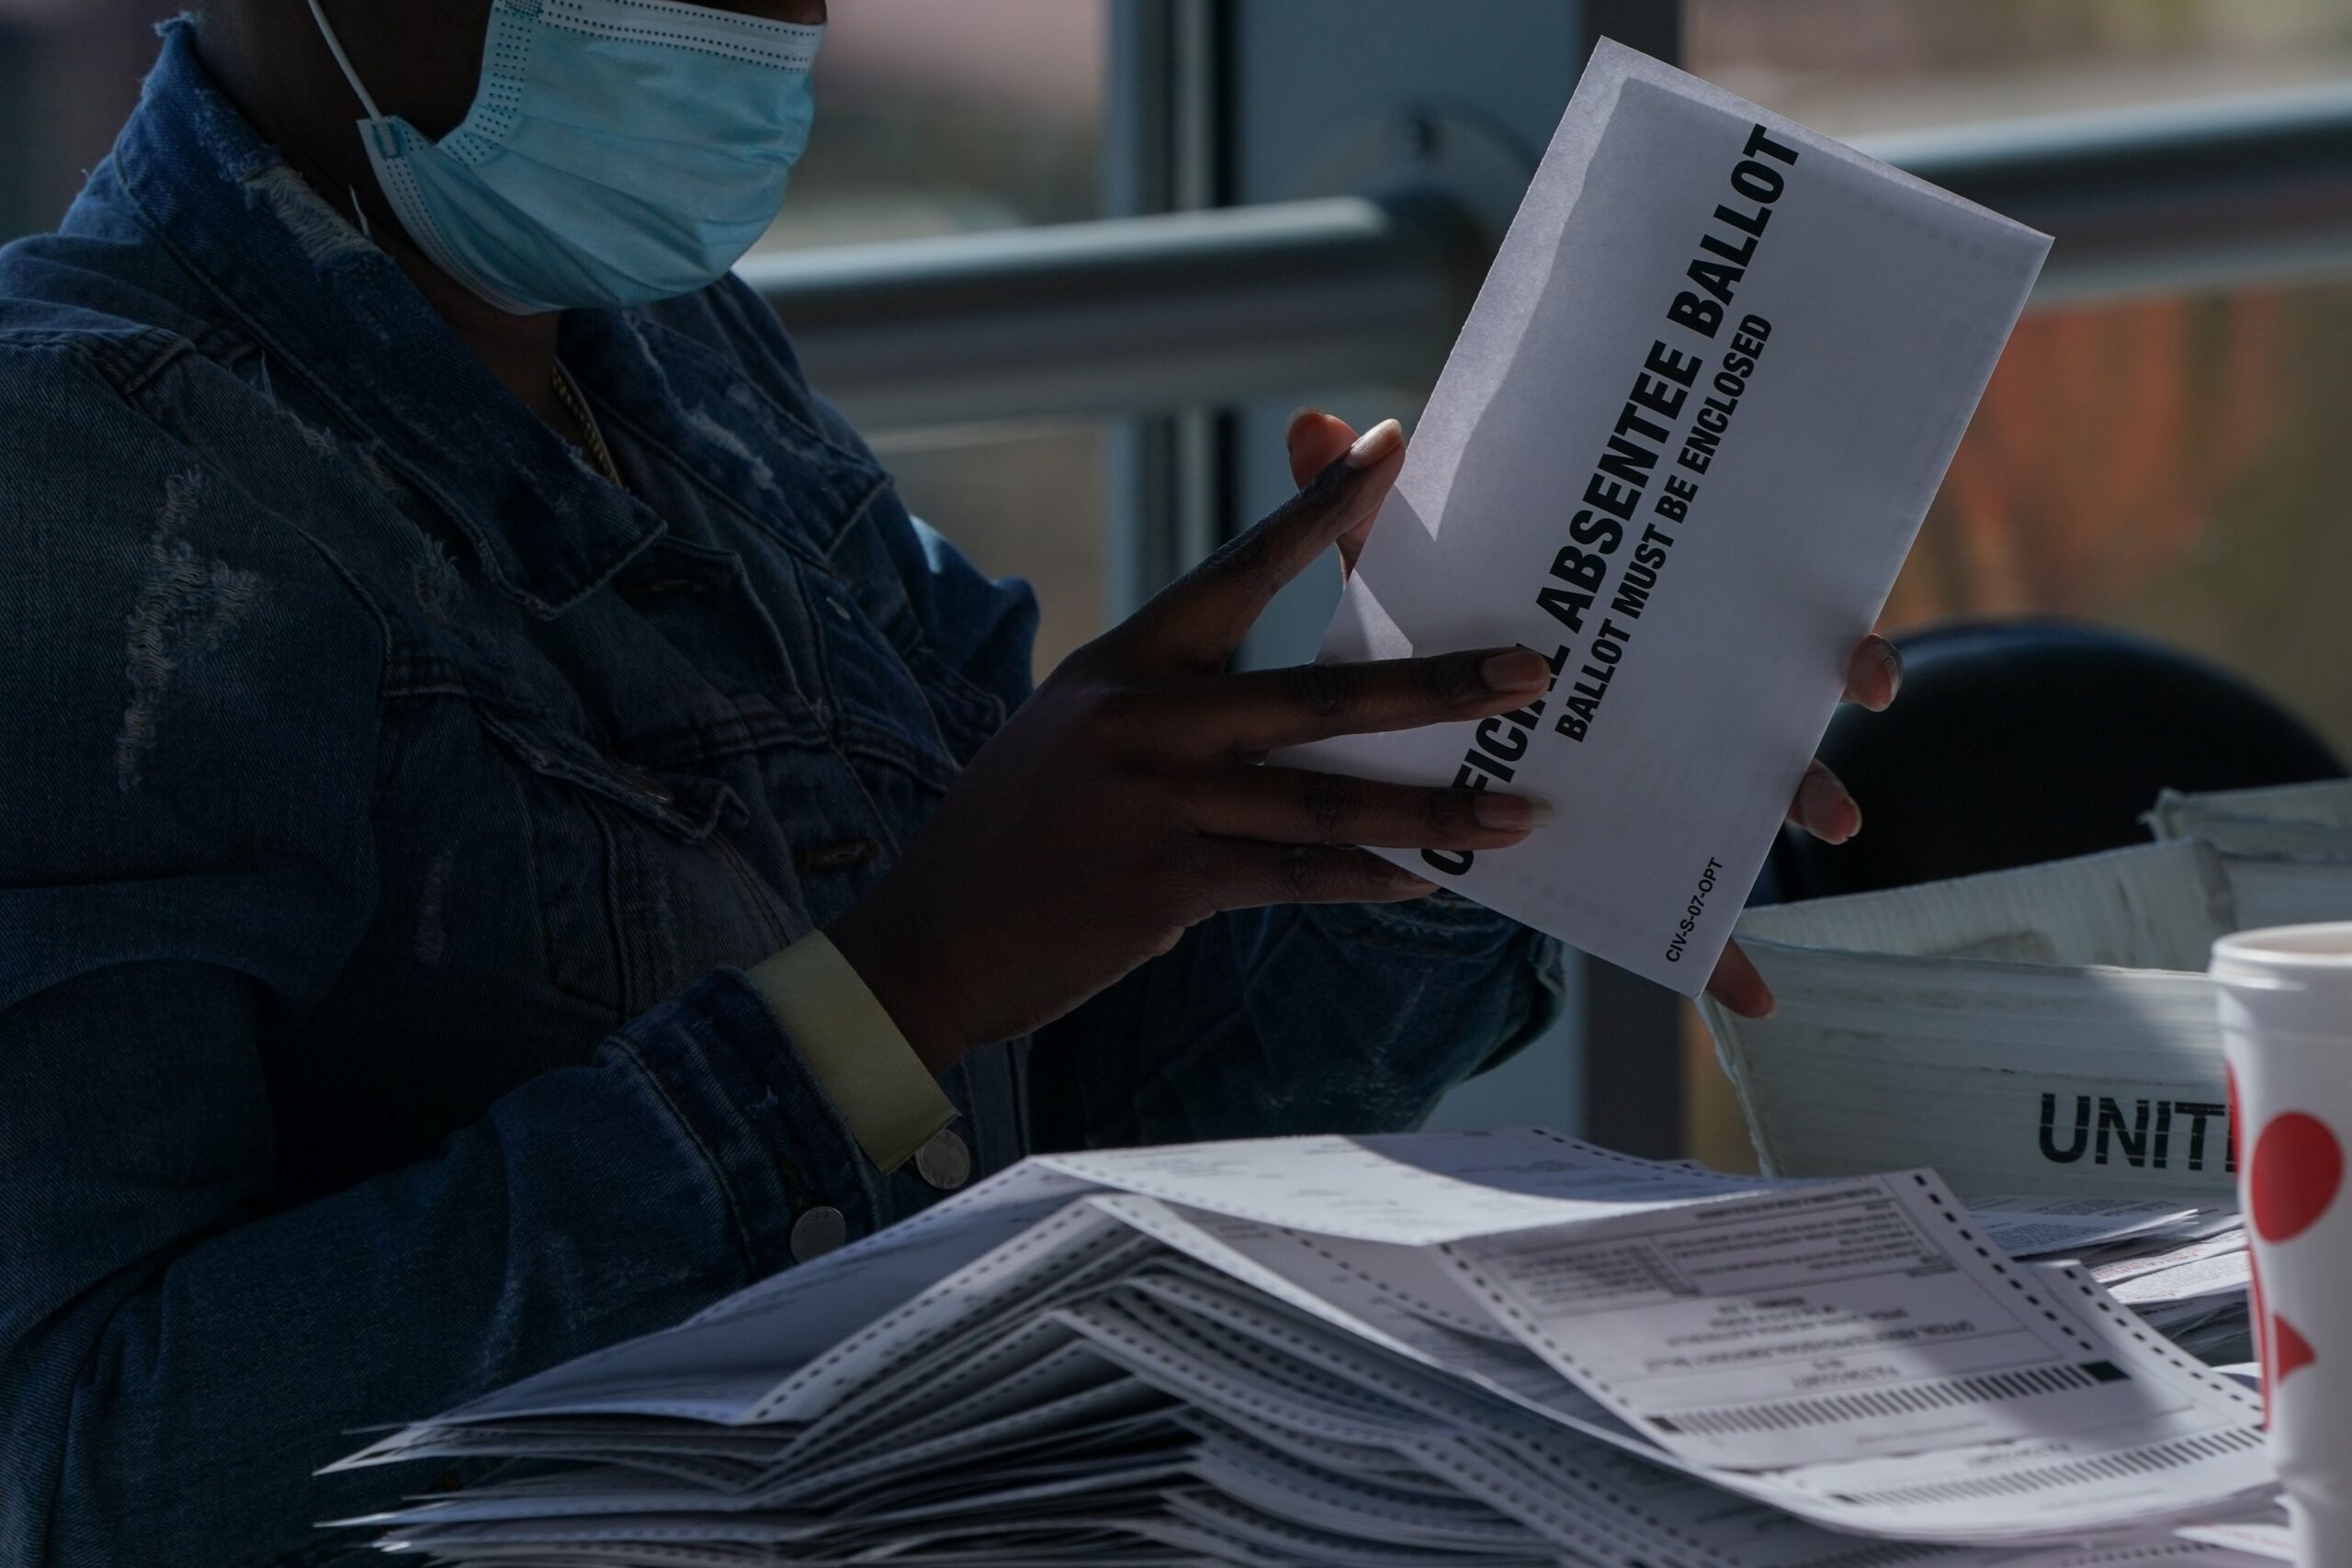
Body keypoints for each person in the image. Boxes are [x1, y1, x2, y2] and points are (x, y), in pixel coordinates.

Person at [0, 1, 1896, 1562]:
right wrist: (884, 999)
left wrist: (1476, 779)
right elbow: (78, 1470)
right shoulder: (78, 476)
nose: (765, 17)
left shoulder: (676, 357)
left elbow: (1072, 1106)